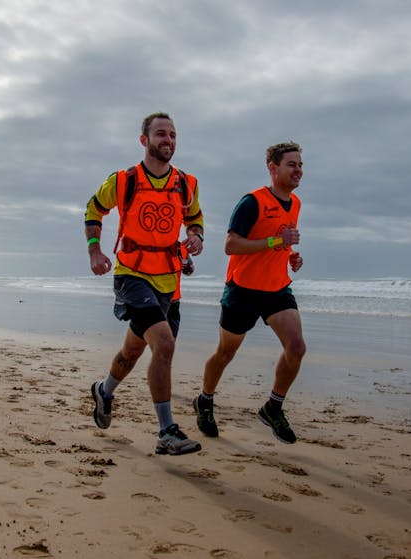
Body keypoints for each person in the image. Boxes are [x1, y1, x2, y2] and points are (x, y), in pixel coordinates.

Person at [84, 112, 204, 456]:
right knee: (164, 345)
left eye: (173, 135)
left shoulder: (186, 183)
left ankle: (104, 391)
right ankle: (167, 431)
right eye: (161, 134)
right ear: (145, 140)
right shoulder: (123, 181)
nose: (168, 140)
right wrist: (95, 251)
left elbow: (194, 218)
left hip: (169, 280)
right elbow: (93, 210)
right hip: (132, 274)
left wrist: (195, 237)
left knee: (134, 351)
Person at [194, 141, 306, 444]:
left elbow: (282, 243)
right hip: (242, 290)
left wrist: (290, 255)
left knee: (296, 348)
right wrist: (274, 243)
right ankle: (204, 401)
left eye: (300, 165)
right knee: (225, 353)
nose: (298, 170)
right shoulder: (252, 202)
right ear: (273, 168)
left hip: (277, 290)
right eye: (291, 164)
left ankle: (273, 406)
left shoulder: (294, 204)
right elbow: (231, 245)